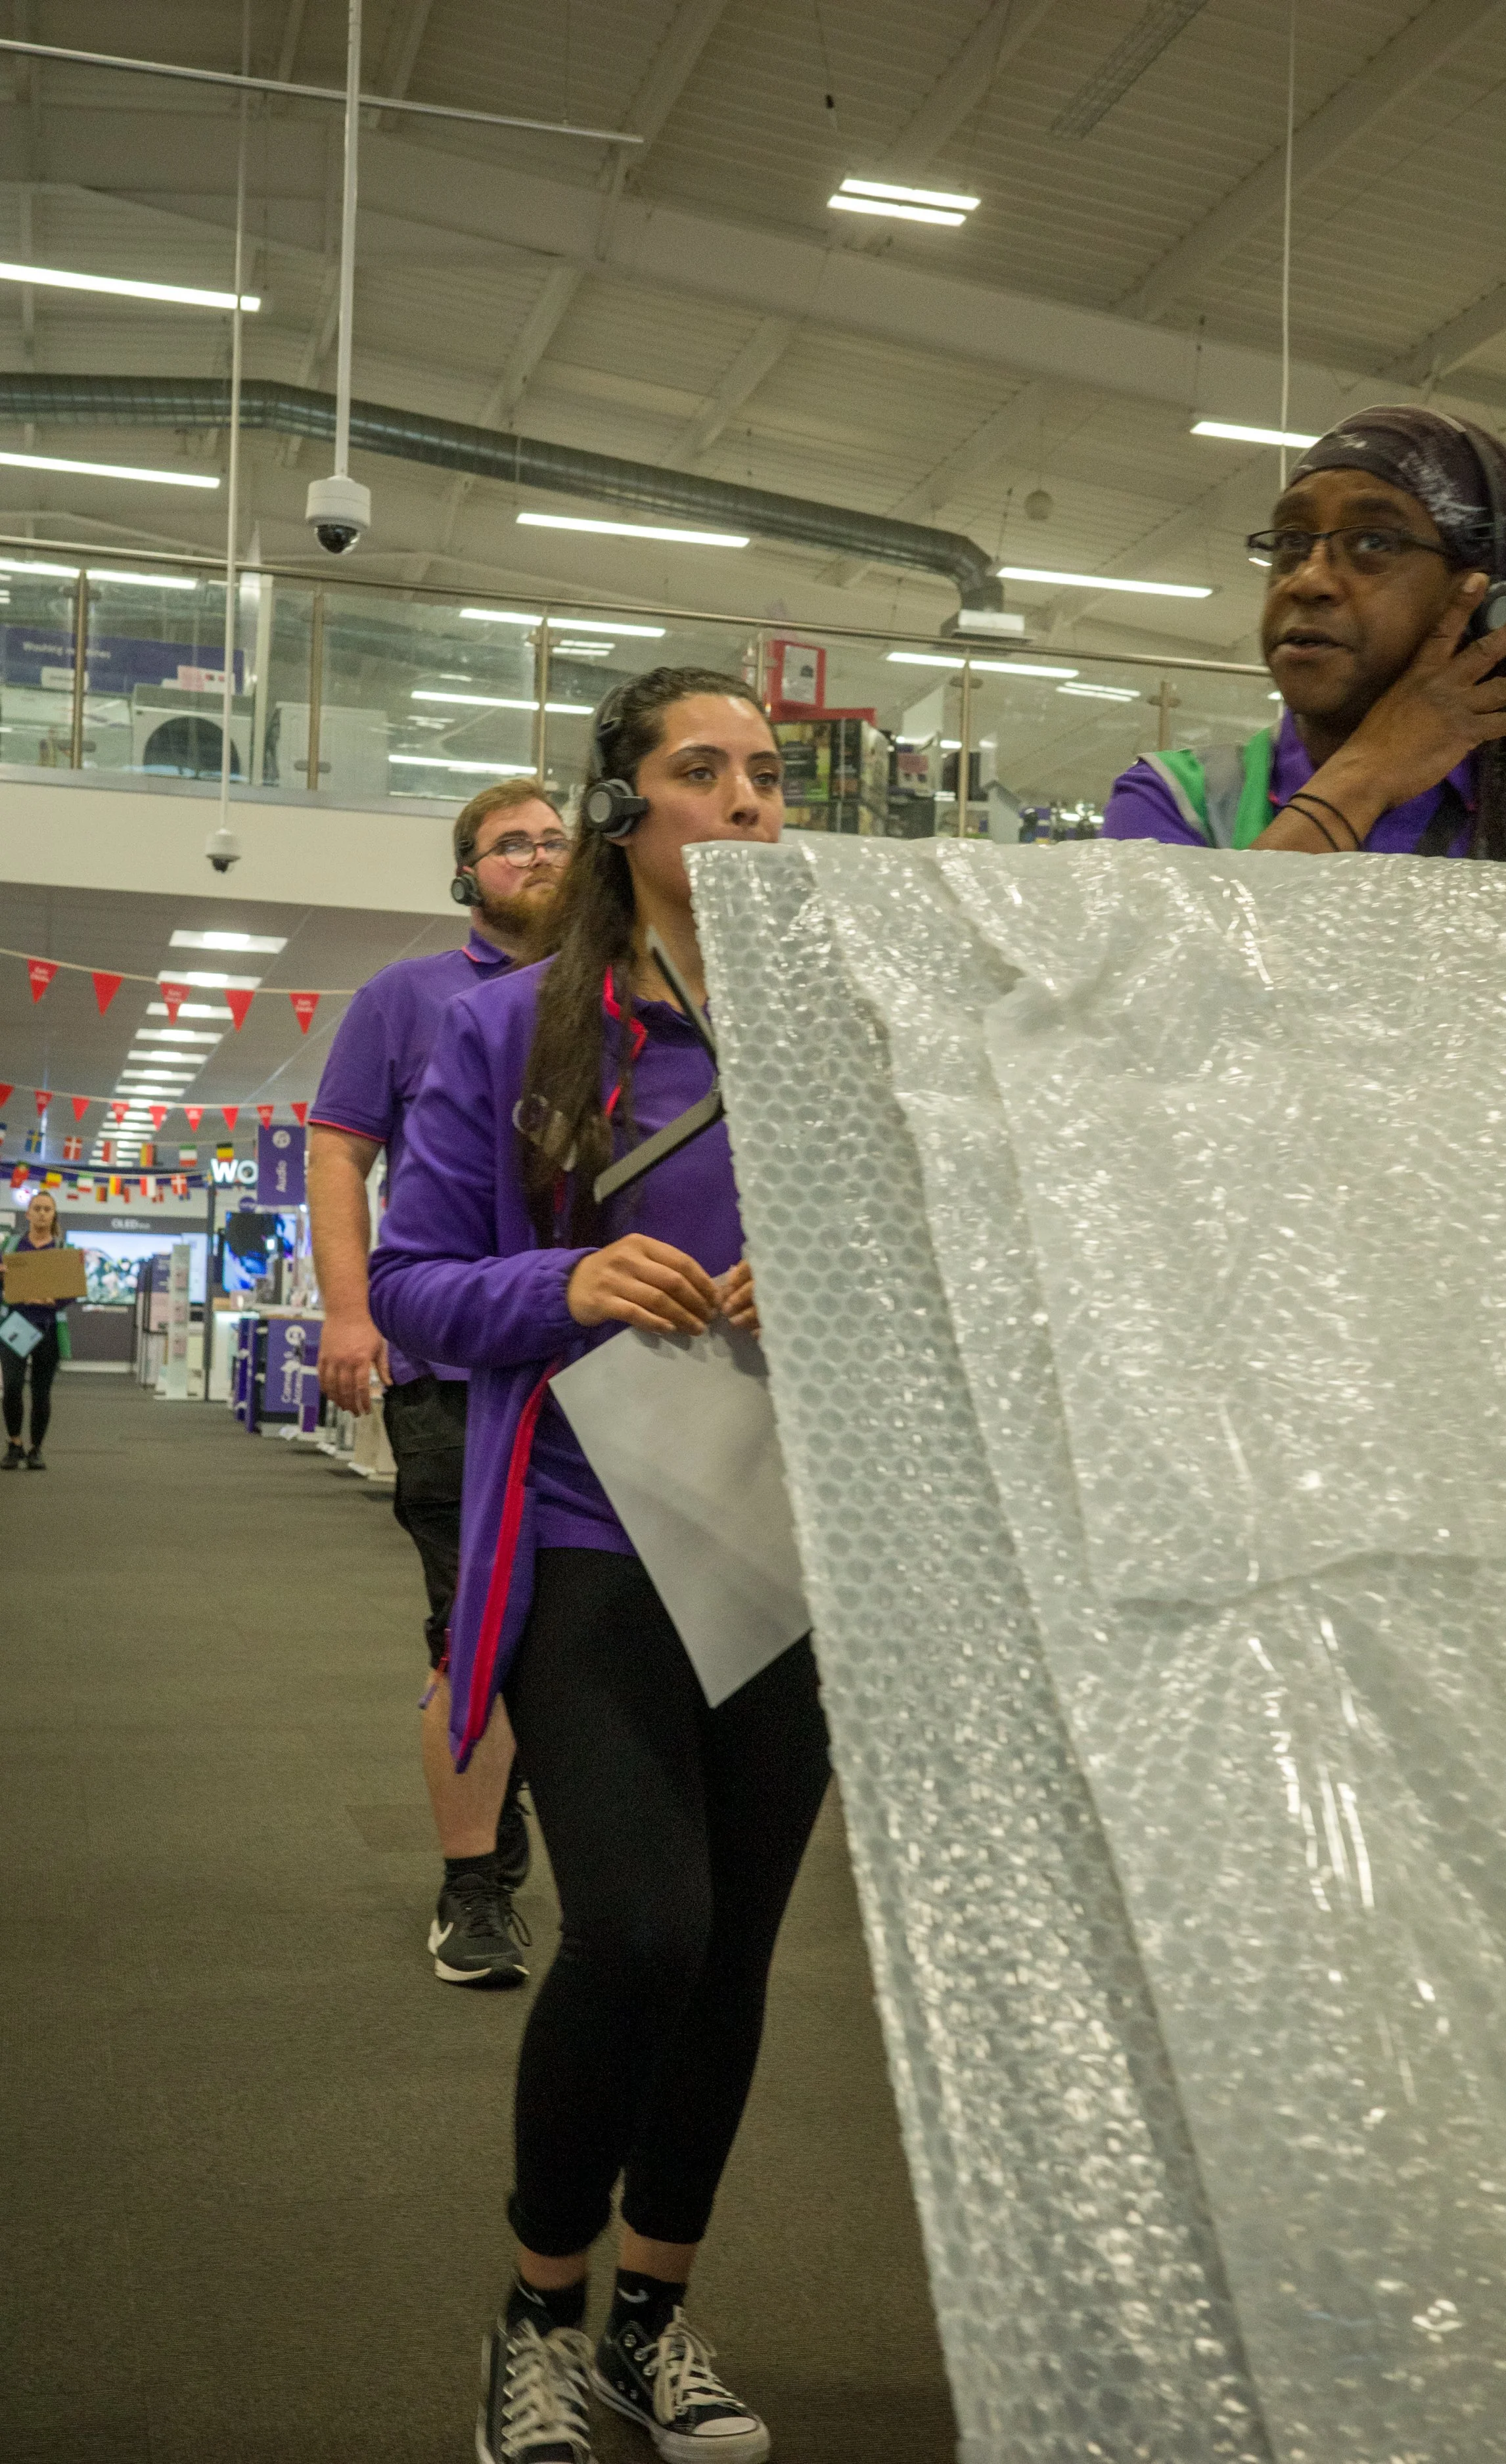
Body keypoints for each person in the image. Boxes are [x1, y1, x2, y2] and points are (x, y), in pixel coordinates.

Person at [370, 668, 831, 2464]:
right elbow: (414, 1283)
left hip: (784, 1532)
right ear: (621, 804)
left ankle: (651, 2315)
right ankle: (534, 2316)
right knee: (640, 1923)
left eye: (768, 775)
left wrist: (833, 1282)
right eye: (699, 769)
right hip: (583, 1528)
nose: (743, 800)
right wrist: (565, 1279)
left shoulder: (828, 1023)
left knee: (731, 1963)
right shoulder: (510, 1031)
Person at [309, 775, 572, 1986]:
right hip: (453, 1362)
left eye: (556, 839)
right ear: (466, 875)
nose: (538, 856)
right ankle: (475, 1888)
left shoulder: (628, 996)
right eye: (510, 844)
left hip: (610, 1370)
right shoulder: (405, 999)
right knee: (472, 1630)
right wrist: (352, 1314)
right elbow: (341, 1155)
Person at [1103, 403, 1506, 865]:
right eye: (1292, 540)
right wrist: (1366, 777)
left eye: (1374, 543)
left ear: (1485, 599)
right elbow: (1182, 978)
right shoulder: (1177, 801)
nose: (1308, 579)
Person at [2, 1187, 68, 1469]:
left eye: (47, 1209)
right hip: (15, 1325)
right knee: (13, 1387)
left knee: (42, 1392)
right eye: (37, 1208)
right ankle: (15, 1444)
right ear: (28, 1214)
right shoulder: (11, 1247)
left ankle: (36, 1449)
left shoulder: (62, 1251)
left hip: (48, 1327)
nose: (41, 1213)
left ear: (53, 1215)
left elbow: (71, 1294)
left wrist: (56, 1299)